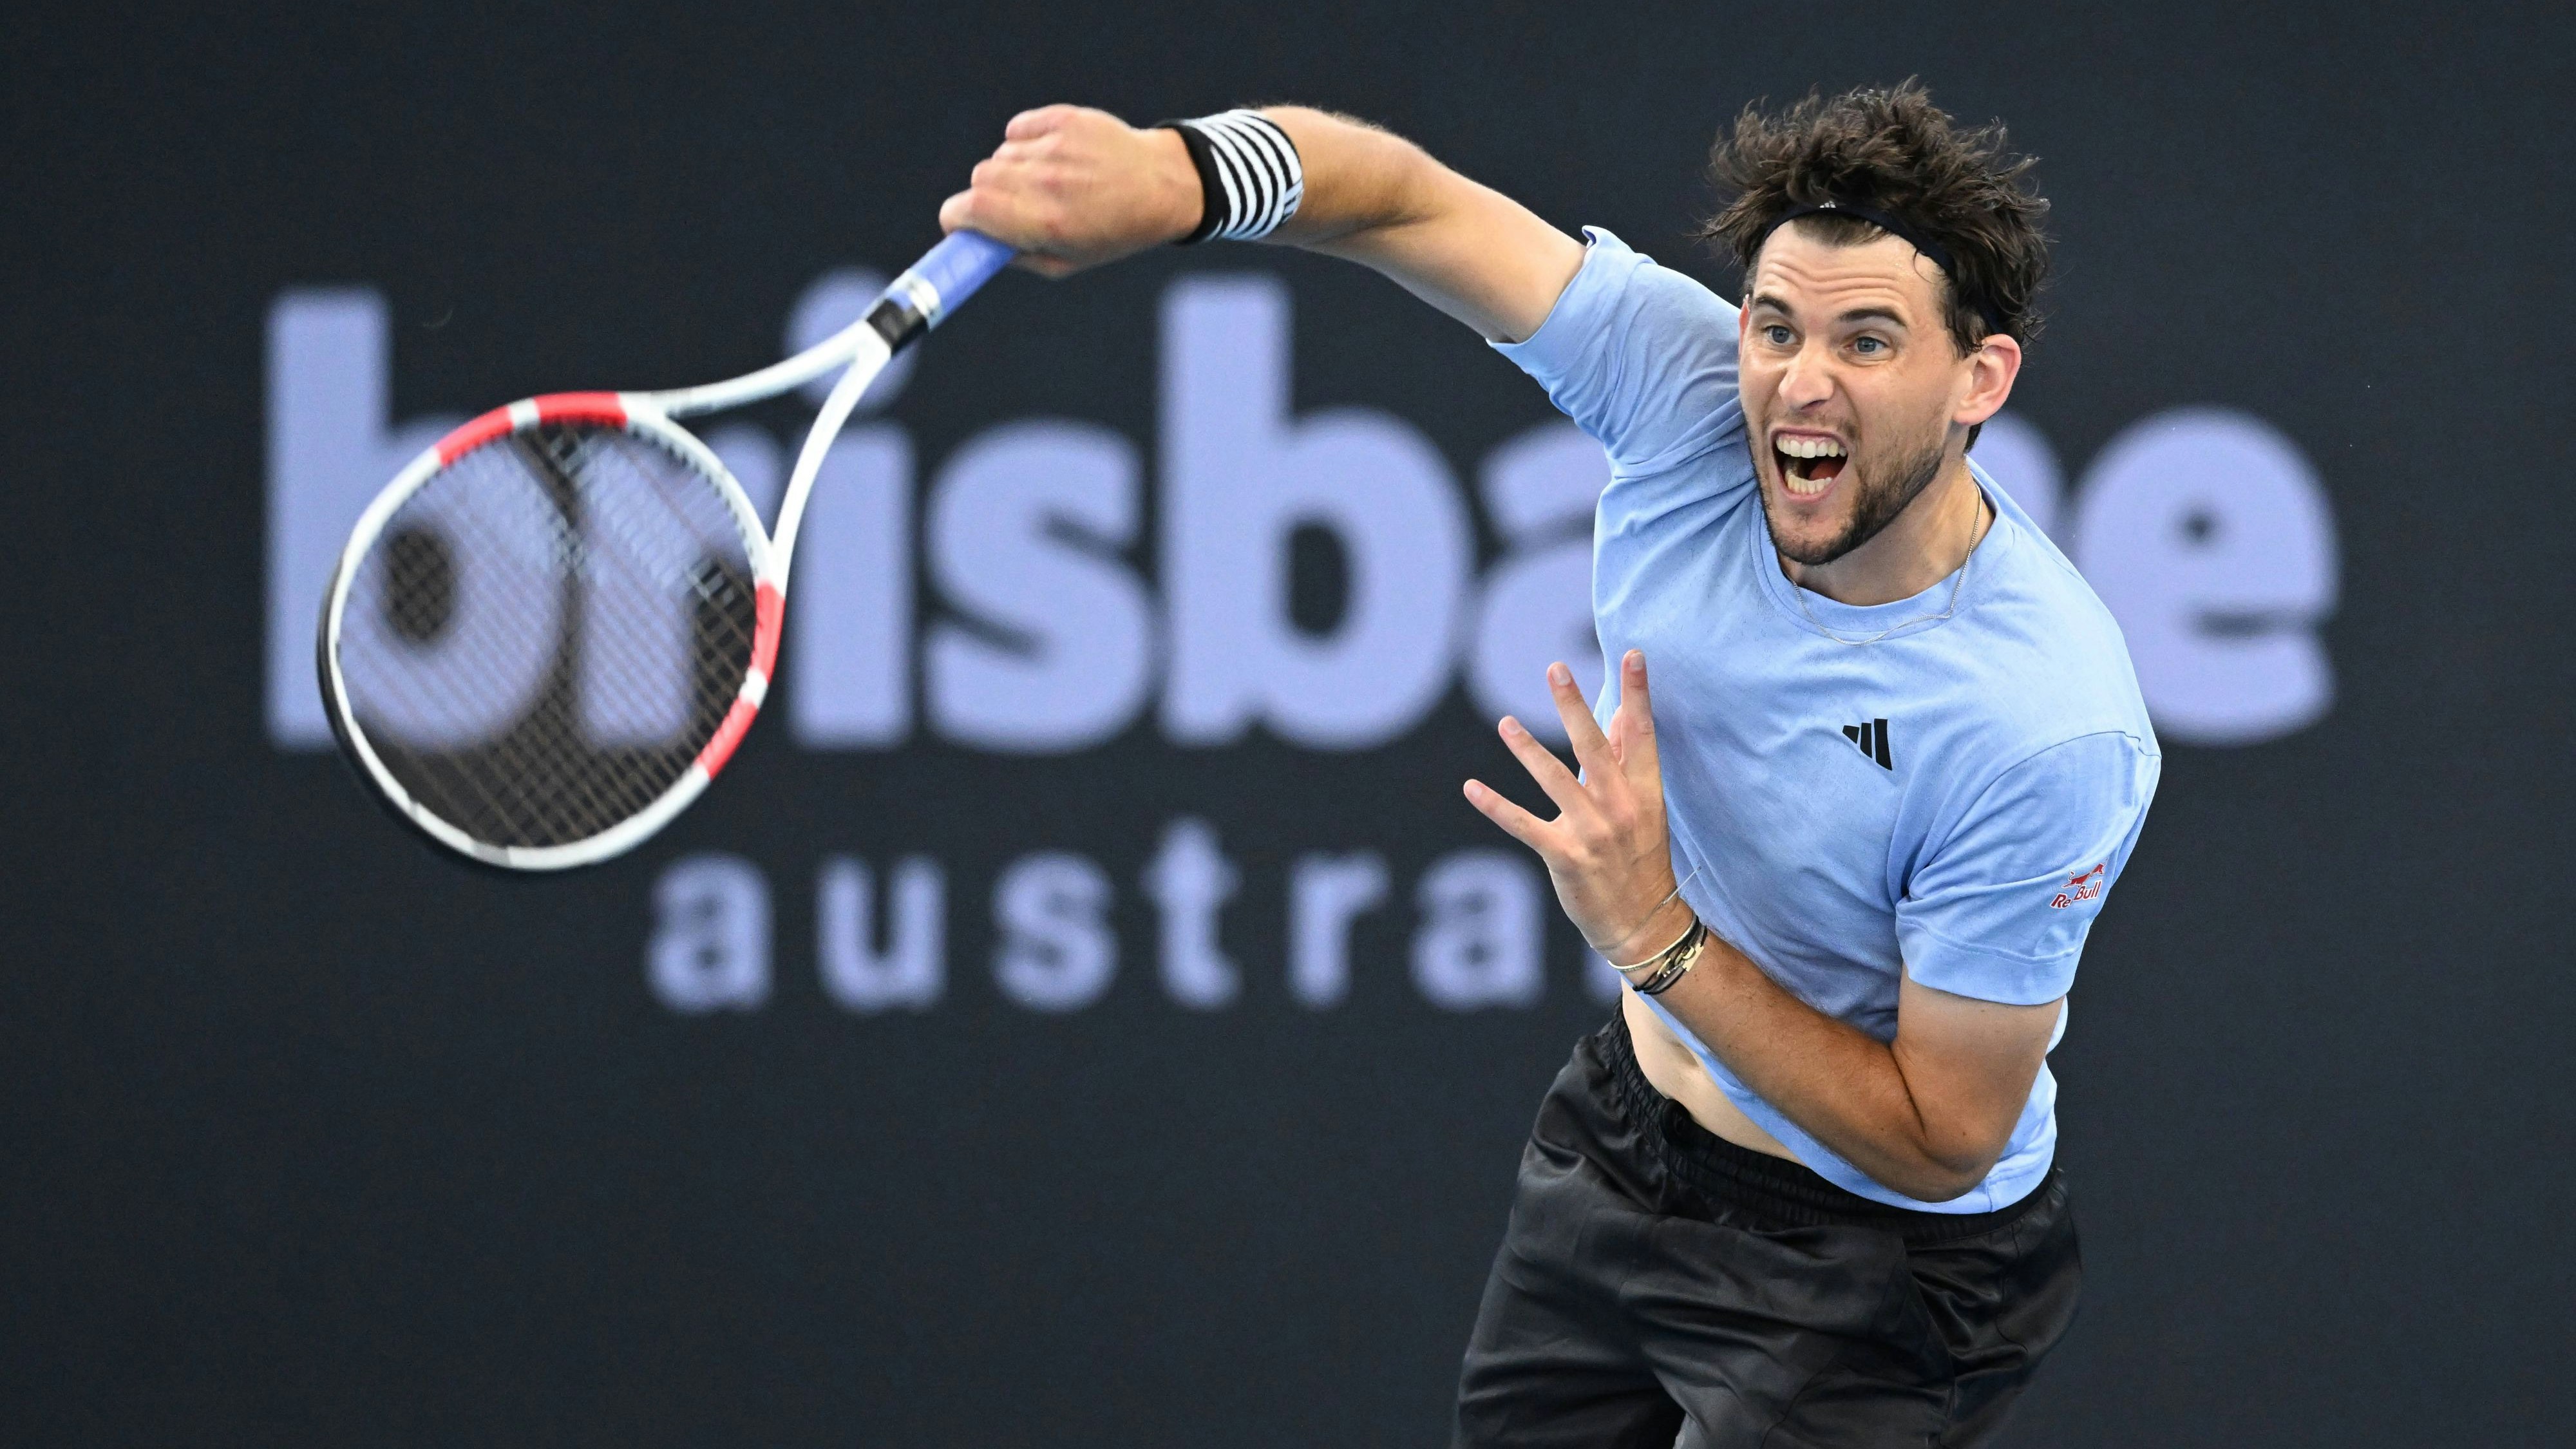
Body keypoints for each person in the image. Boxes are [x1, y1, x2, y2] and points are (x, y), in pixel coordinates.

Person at [942, 81, 2159, 1447]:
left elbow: (1944, 1138)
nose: (1798, 382)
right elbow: (1402, 200)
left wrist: (1654, 937)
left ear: (1976, 378)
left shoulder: (2041, 722)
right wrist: (1177, 176)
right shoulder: (1687, 390)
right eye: (1774, 327)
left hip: (1881, 1269)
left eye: (1866, 341)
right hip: (1628, 1144)